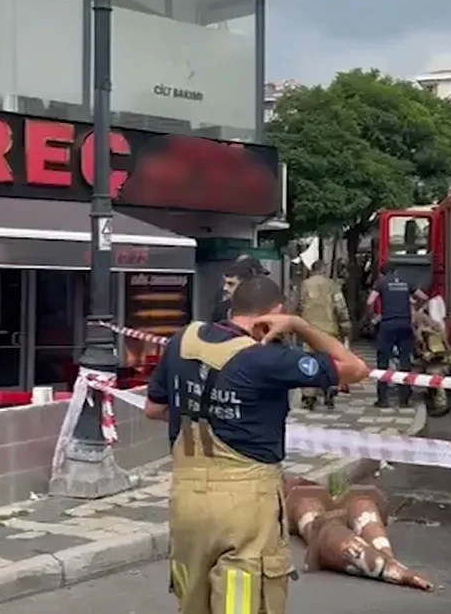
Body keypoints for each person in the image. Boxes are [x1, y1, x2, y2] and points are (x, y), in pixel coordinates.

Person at [144, 276, 370, 614]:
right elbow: (356, 368)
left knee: (192, 599)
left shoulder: (182, 341)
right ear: (274, 313)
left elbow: (154, 408)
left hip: (187, 500)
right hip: (247, 502)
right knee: (244, 600)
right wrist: (300, 325)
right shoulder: (267, 359)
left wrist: (210, 413)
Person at [366, 263, 428, 408]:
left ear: (382, 273)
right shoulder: (407, 281)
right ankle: (404, 400)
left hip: (388, 325)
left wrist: (372, 316)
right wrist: (415, 308)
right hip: (405, 324)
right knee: (405, 361)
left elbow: (370, 301)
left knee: (383, 362)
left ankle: (383, 400)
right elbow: (424, 297)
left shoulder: (381, 282)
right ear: (396, 271)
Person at [293, 261, 351, 410]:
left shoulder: (303, 285)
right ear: (324, 270)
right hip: (329, 331)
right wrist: (345, 328)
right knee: (328, 362)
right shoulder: (332, 286)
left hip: (308, 331)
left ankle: (309, 395)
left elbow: (295, 307)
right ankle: (329, 389)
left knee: (308, 363)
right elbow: (341, 308)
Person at [412, 302, 451, 416]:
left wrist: (425, 355)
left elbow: (435, 351)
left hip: (438, 360)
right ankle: (435, 400)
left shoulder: (428, 334)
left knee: (434, 375)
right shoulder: (436, 328)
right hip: (441, 358)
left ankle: (441, 403)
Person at [209, 256, 266, 324]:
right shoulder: (221, 310)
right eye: (225, 283)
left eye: (231, 284)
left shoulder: (269, 310)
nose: (225, 288)